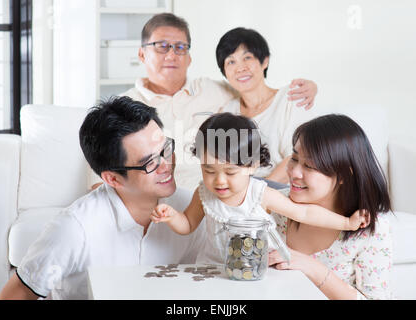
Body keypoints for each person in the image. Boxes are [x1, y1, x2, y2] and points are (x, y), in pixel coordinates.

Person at [0, 96, 205, 300]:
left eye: (165, 149)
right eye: (149, 162)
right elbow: (17, 293)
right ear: (112, 178)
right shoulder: (74, 228)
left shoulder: (190, 209)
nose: (166, 165)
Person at [90, 13, 318, 192]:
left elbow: (252, 88)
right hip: (160, 198)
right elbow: (100, 181)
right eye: (161, 46)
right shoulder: (123, 107)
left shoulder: (213, 91)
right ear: (141, 54)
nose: (171, 55)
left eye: (180, 47)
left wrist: (309, 88)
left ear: (189, 58)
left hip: (216, 194)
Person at [150, 113, 368, 265]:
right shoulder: (204, 194)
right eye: (209, 170)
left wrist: (347, 223)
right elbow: (187, 224)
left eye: (231, 172)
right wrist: (172, 217)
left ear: (252, 165)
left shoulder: (260, 194)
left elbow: (304, 212)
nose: (219, 181)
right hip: (211, 270)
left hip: (252, 271)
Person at [268, 114, 394, 300]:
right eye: (294, 158)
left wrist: (314, 269)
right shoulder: (278, 206)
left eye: (309, 166)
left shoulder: (369, 228)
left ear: (343, 174)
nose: (294, 172)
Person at [216, 27, 317, 184]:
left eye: (247, 58)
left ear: (265, 61)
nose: (240, 68)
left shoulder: (291, 98)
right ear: (224, 71)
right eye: (231, 61)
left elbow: (297, 158)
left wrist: (257, 195)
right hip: (240, 195)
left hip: (282, 193)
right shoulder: (227, 111)